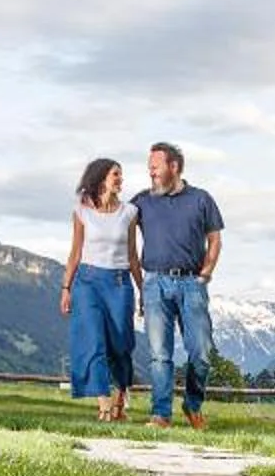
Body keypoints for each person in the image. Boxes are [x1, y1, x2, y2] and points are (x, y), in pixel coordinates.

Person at [133, 140, 223, 429]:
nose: (151, 173)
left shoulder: (201, 199)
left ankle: (192, 404)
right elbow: (113, 219)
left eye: (155, 167)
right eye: (149, 168)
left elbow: (215, 240)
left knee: (202, 353)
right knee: (160, 355)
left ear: (174, 166)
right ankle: (161, 415)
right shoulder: (141, 202)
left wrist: (205, 273)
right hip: (154, 283)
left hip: (191, 284)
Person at [61, 157, 140, 423]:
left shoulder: (129, 212)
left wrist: (142, 290)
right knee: (92, 342)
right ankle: (103, 404)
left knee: (121, 345)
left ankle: (119, 401)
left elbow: (133, 256)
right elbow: (75, 252)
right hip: (87, 283)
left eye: (121, 174)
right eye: (116, 174)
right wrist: (66, 287)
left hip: (119, 282)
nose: (120, 179)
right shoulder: (82, 211)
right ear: (101, 178)